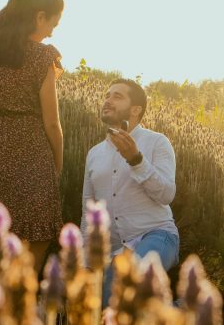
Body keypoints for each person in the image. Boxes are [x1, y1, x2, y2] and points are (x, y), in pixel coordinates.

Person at [0, 0, 64, 273]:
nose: (51, 32)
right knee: (39, 235)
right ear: (39, 16)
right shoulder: (41, 56)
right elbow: (52, 122)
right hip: (31, 150)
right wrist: (57, 163)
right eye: (53, 24)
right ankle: (20, 300)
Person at [80, 78, 180, 307]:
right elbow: (88, 212)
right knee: (108, 311)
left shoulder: (157, 142)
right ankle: (183, 313)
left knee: (131, 285)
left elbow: (166, 194)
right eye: (107, 95)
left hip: (156, 235)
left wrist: (136, 160)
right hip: (115, 252)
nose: (108, 100)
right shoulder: (94, 154)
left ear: (136, 109)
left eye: (117, 96)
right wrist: (86, 262)